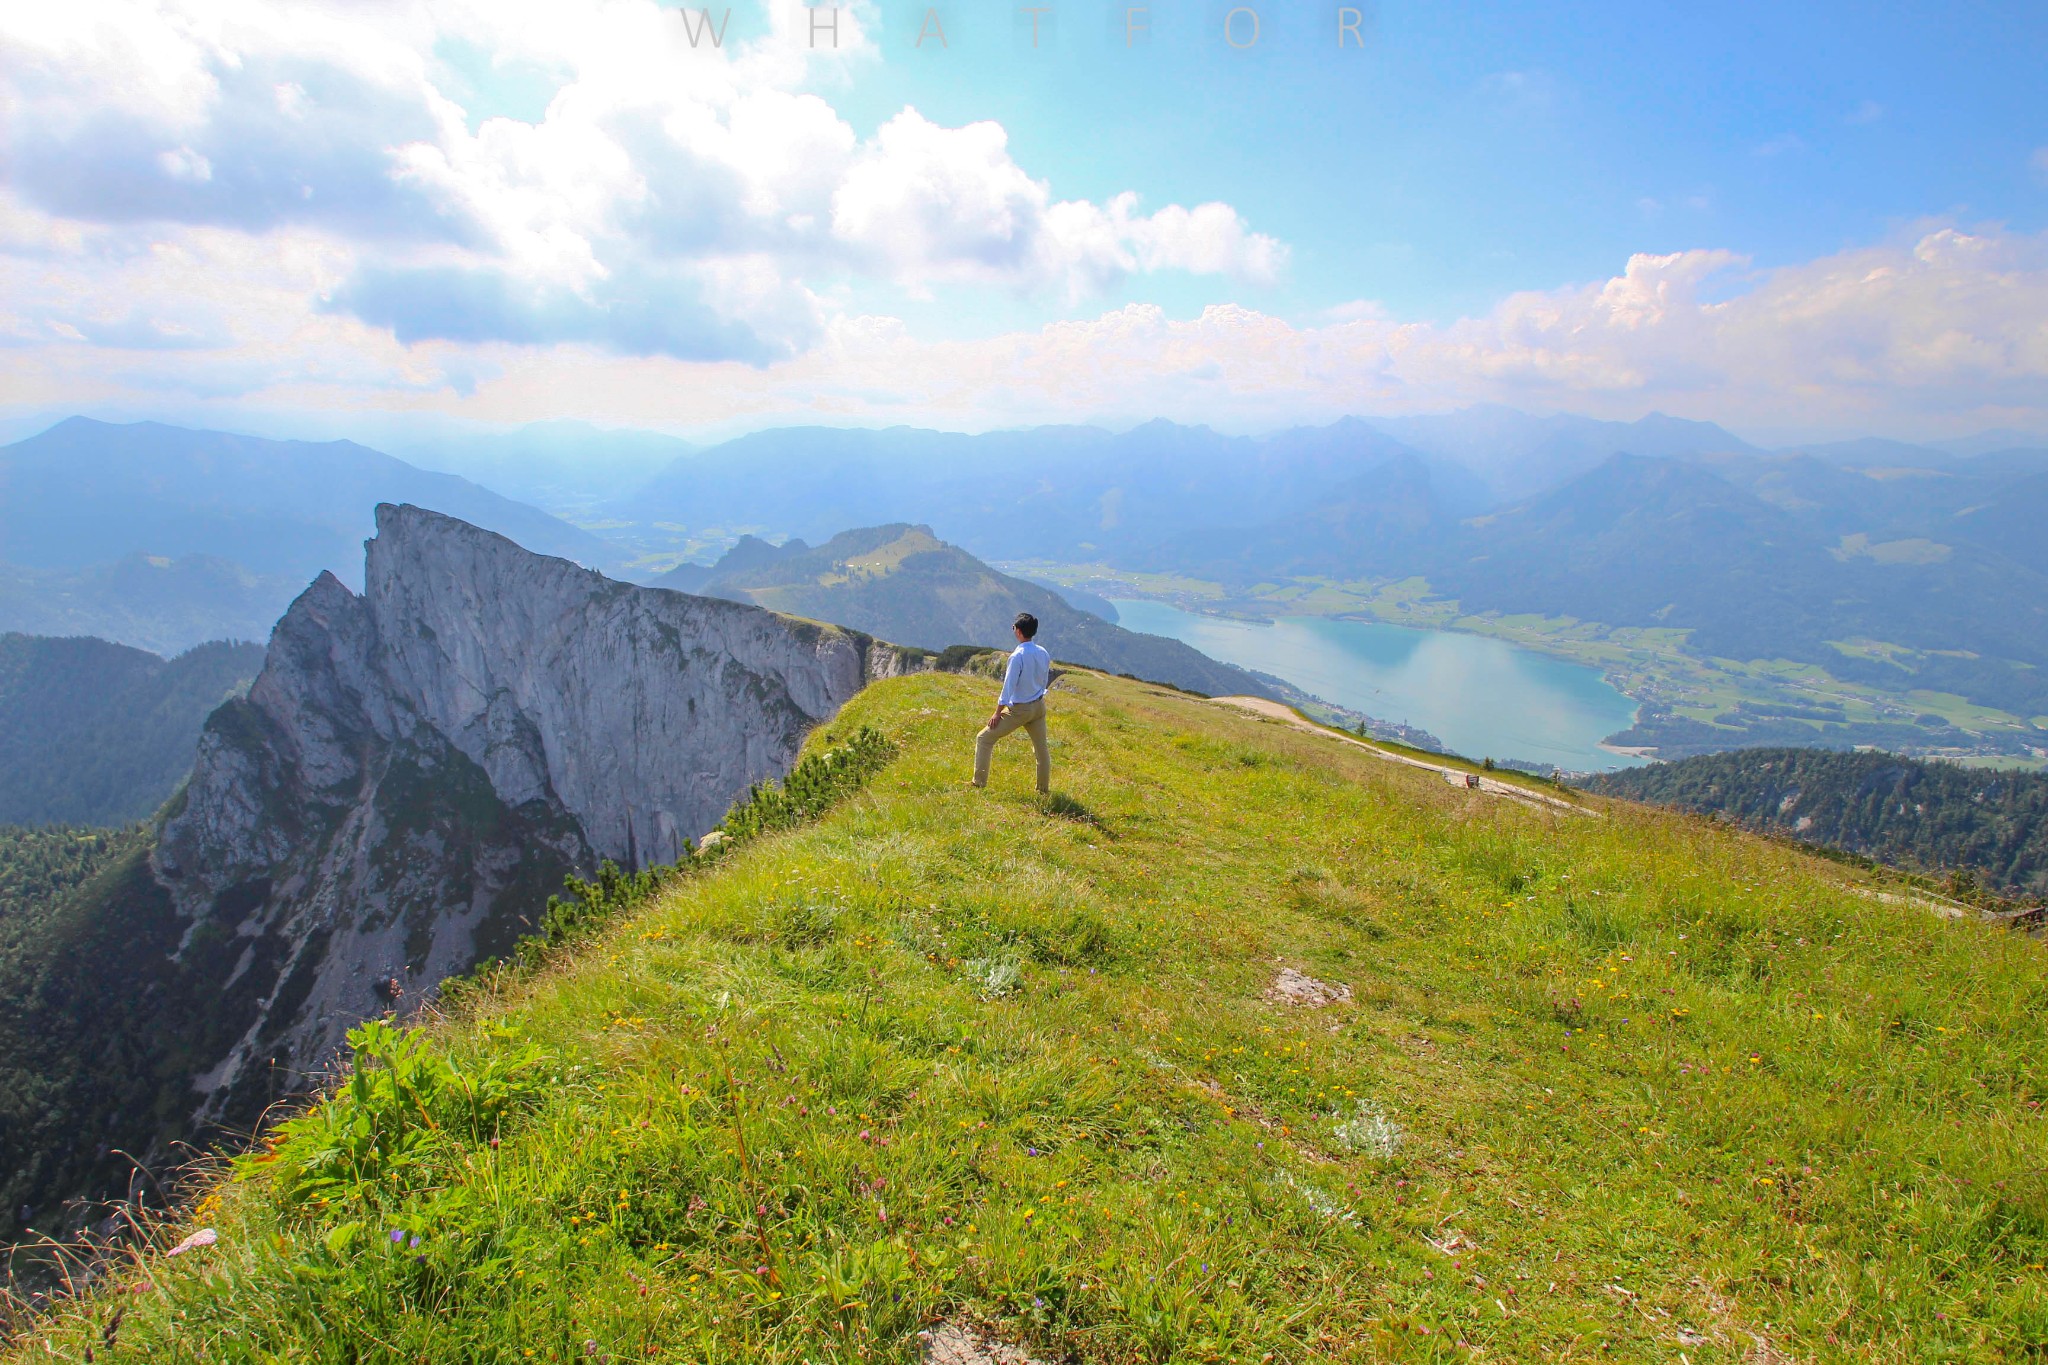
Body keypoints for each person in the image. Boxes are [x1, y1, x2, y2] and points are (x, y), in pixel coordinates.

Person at [973, 612, 1051, 793]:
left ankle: (979, 783)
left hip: (1020, 710)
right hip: (1039, 706)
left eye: (1014, 627)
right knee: (1042, 751)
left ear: (1019, 631)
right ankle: (1043, 791)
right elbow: (1043, 678)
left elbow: (1008, 687)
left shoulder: (1017, 657)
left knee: (984, 739)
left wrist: (997, 712)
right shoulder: (1043, 652)